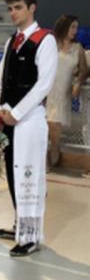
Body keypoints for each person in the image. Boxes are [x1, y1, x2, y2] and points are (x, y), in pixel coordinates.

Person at [0, 0, 58, 257]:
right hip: (8, 119)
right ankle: (20, 225)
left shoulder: (46, 40)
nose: (13, 13)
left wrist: (17, 113)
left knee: (30, 179)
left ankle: (30, 236)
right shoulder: (11, 41)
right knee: (12, 173)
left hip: (29, 122)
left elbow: (44, 84)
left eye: (17, 7)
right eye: (10, 8)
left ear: (32, 7)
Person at [46, 14, 88, 168]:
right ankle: (41, 165)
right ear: (64, 26)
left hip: (62, 96)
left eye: (76, 27)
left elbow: (84, 70)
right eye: (73, 27)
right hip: (45, 93)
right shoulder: (51, 43)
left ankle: (51, 164)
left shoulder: (78, 48)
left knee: (55, 136)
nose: (75, 31)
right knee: (43, 133)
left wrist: (78, 83)